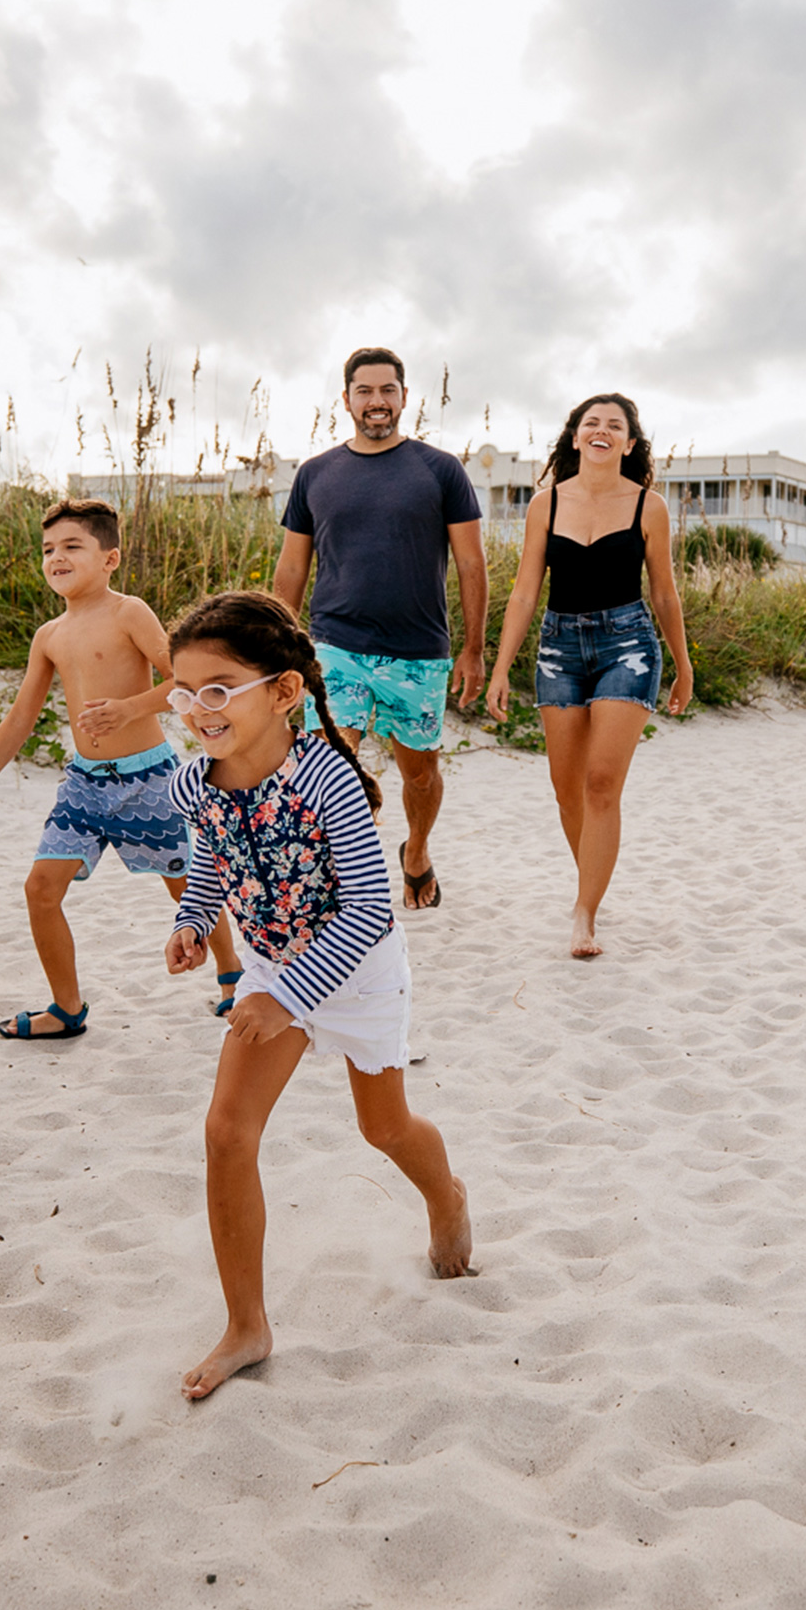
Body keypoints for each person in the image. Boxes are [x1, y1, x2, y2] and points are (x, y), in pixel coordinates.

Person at [159, 591, 473, 1400]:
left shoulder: (325, 778)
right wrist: (196, 919)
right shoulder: (200, 779)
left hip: (353, 970)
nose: (200, 709)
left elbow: (371, 907)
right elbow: (214, 853)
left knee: (384, 1127)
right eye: (185, 691)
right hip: (269, 967)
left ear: (285, 691)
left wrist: (290, 995)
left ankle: (446, 1195)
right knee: (227, 1131)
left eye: (220, 688)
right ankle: (247, 1326)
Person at [0, 497, 243, 1038]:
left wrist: (129, 708)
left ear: (110, 558)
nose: (56, 557)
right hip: (84, 785)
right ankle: (66, 1009)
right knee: (40, 888)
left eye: (71, 547)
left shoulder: (129, 611)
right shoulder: (50, 636)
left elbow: (184, 680)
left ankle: (231, 975)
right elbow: (20, 716)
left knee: (186, 884)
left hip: (149, 779)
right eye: (48, 549)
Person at [483, 392, 695, 959]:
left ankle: (585, 912)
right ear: (576, 437)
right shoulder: (545, 505)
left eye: (614, 425)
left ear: (628, 444)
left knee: (601, 783)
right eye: (590, 423)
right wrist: (502, 666)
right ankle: (592, 880)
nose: (600, 430)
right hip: (559, 647)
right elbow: (526, 591)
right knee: (566, 788)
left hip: (628, 645)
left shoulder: (648, 506)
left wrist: (683, 663)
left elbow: (664, 592)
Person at [273, 347, 487, 909]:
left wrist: (472, 649)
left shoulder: (440, 470)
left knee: (419, 775)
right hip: (336, 645)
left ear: (404, 397)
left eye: (387, 390)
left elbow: (471, 564)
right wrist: (276, 641)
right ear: (345, 401)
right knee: (331, 765)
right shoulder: (315, 474)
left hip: (419, 651)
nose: (376, 402)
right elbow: (293, 566)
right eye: (364, 391)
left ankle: (416, 850)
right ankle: (346, 884)